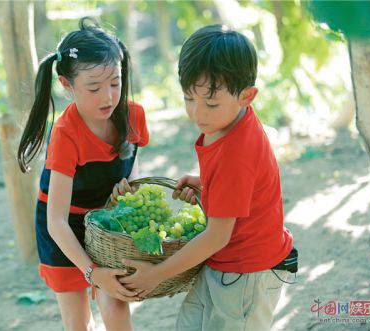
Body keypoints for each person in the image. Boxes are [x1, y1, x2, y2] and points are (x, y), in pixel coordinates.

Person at [119, 24, 294, 331]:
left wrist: (155, 274)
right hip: (223, 263)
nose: (198, 113)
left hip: (246, 273)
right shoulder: (226, 123)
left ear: (247, 96)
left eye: (211, 104)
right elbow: (244, 186)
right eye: (189, 98)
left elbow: (216, 236)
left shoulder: (235, 152)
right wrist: (206, 183)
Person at [17, 18, 149, 331]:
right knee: (78, 324)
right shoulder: (66, 134)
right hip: (64, 229)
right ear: (66, 84)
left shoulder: (133, 115)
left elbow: (132, 171)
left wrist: (127, 191)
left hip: (106, 224)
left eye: (115, 83)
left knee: (115, 304)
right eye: (94, 87)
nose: (107, 97)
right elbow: (56, 221)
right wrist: (91, 271)